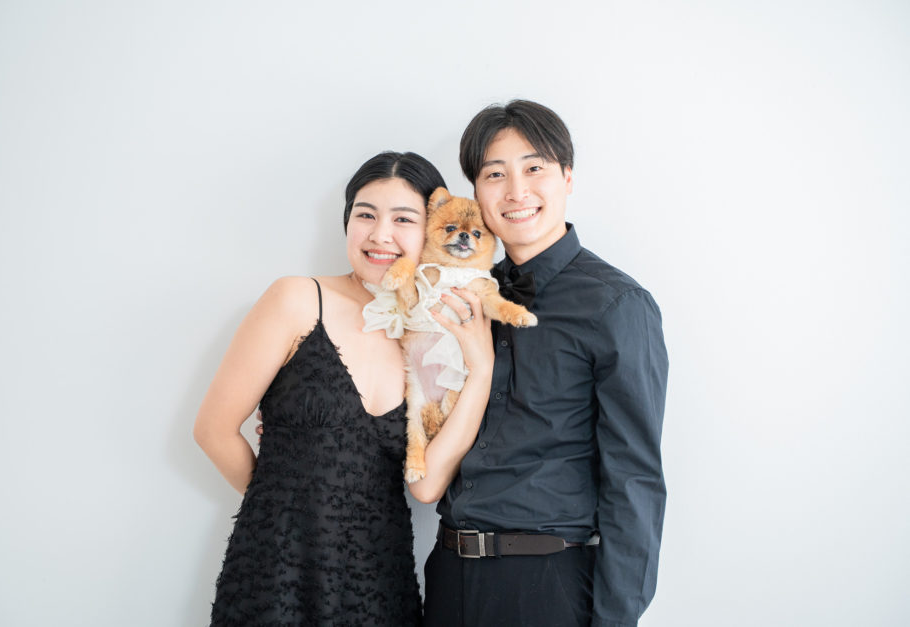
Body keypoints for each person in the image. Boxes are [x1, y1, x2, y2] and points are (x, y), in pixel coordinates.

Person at [193, 151, 494, 626]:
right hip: (276, 570)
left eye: (403, 219)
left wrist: (481, 370)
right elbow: (214, 430)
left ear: (431, 229)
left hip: (380, 580)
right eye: (365, 215)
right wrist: (285, 507)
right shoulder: (296, 298)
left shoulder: (432, 335)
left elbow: (427, 485)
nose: (380, 234)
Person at [420, 100, 669, 627]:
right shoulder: (459, 295)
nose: (516, 191)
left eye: (534, 168)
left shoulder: (616, 305)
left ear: (567, 177)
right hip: (446, 576)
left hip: (548, 584)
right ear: (476, 191)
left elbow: (634, 478)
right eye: (495, 174)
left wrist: (615, 621)